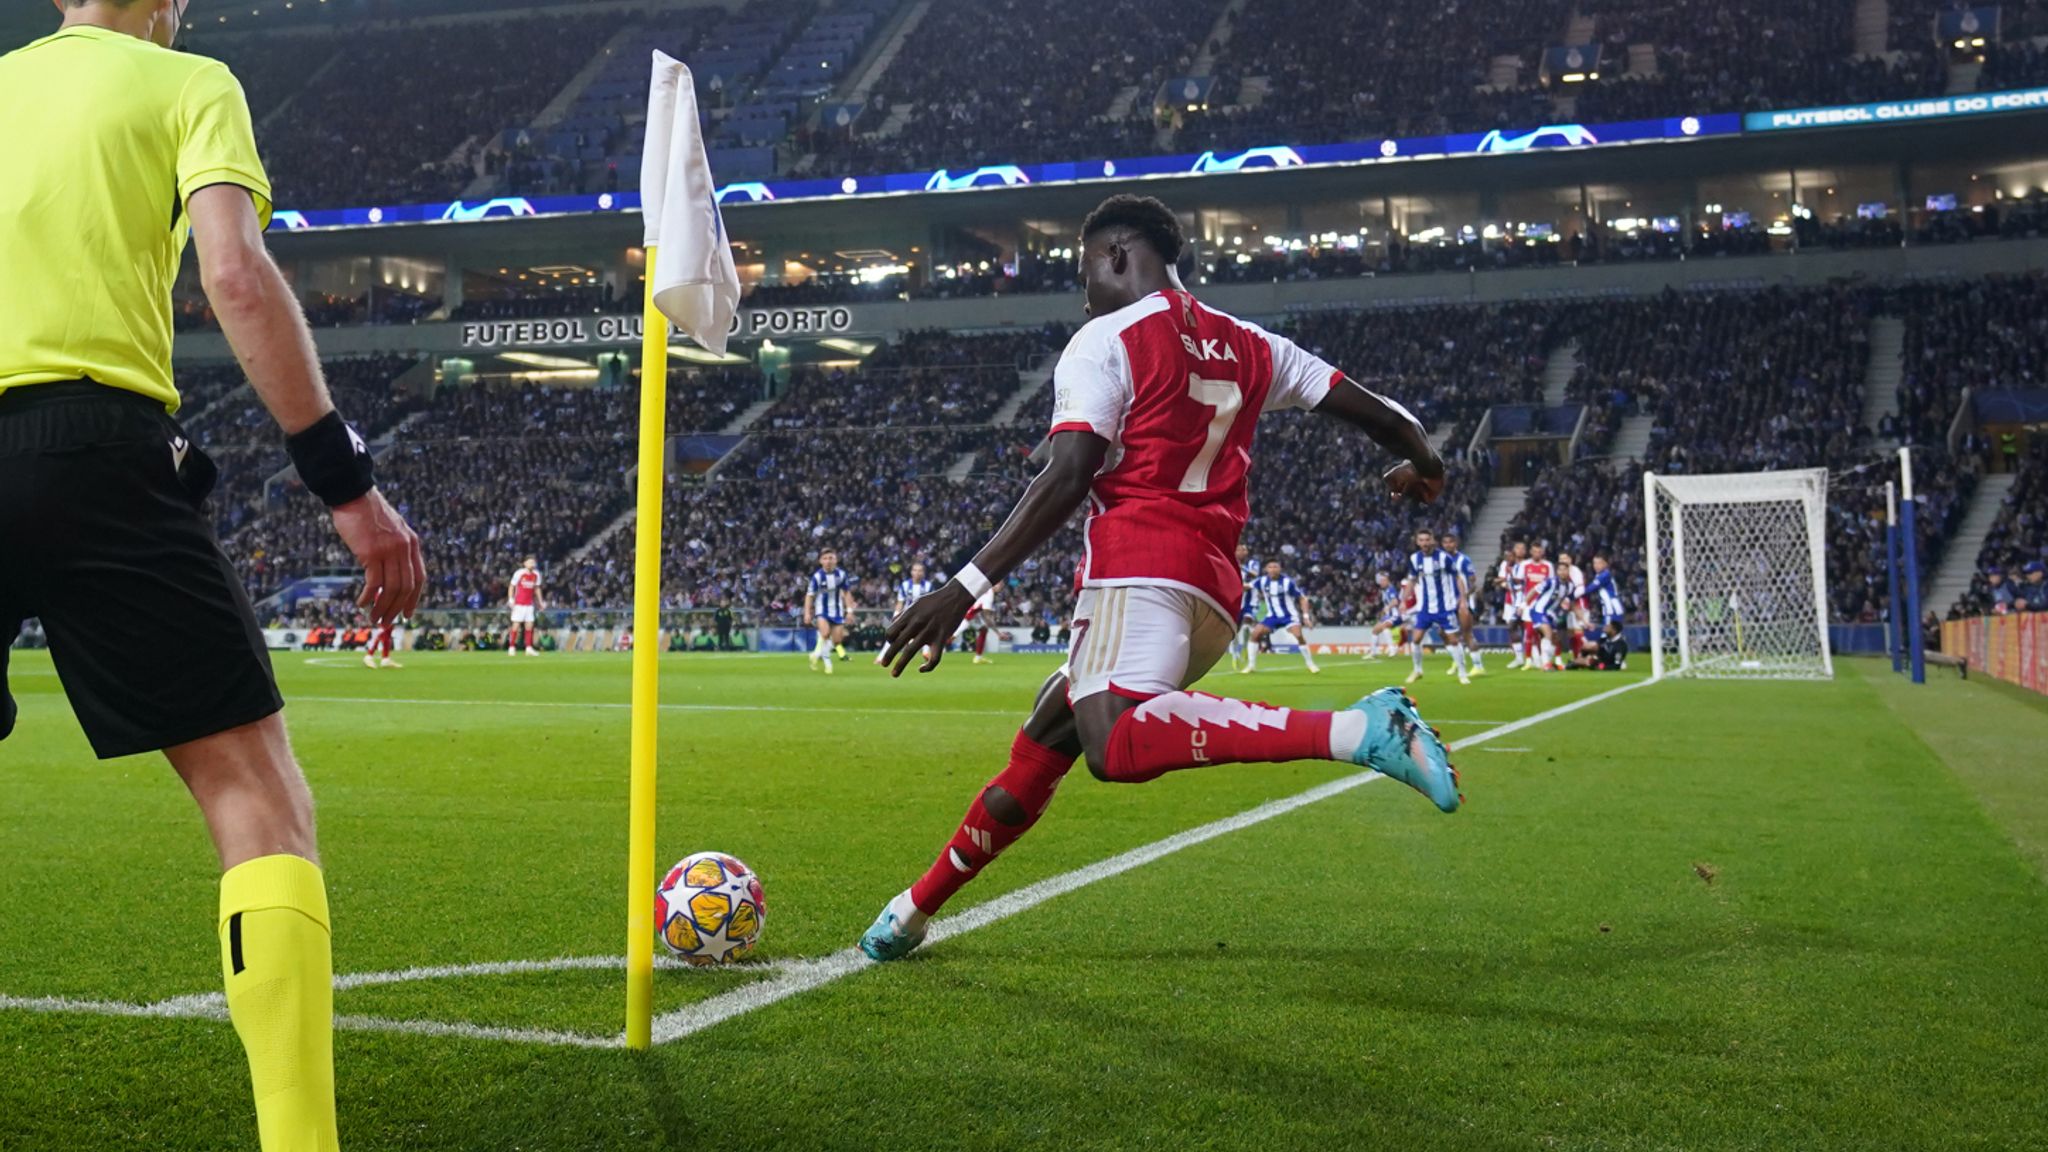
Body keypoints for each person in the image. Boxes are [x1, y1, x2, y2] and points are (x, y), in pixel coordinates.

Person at [0, 5, 426, 1150]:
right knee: (258, 802)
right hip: (89, 444)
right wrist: (347, 487)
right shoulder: (187, 82)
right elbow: (234, 277)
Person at [858, 194, 1459, 962]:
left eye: (1084, 268)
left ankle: (1356, 729)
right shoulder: (1253, 344)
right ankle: (912, 910)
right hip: (1211, 594)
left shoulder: (1104, 337)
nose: (1082, 289)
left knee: (1112, 744)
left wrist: (964, 587)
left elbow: (1072, 471)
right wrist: (1427, 464)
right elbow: (1384, 416)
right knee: (1049, 736)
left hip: (1137, 569)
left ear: (1114, 253)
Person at [1406, 529, 1471, 686]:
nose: (1424, 543)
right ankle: (1417, 670)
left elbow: (1458, 578)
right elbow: (1412, 579)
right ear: (1417, 542)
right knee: (1415, 639)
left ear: (1433, 540)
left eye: (1427, 540)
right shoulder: (1415, 559)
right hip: (1425, 608)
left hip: (1445, 608)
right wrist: (1404, 599)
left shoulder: (1444, 558)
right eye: (1421, 540)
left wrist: (1462, 599)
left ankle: (1462, 672)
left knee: (1454, 641)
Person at [1243, 559, 1321, 674]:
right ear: (1266, 569)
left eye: (1276, 567)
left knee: (1298, 635)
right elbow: (1247, 586)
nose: (1273, 569)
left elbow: (1302, 598)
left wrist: (1305, 617)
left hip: (1289, 616)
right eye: (1270, 567)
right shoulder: (1262, 581)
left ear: (1280, 569)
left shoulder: (1287, 582)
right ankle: (1251, 666)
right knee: (1255, 634)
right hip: (1272, 616)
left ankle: (1310, 664)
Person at [803, 548, 856, 673]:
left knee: (837, 640)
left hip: (837, 611)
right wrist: (807, 612)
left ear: (836, 560)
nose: (828, 561)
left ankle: (815, 655)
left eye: (831, 558)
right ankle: (827, 663)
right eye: (825, 559)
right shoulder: (817, 577)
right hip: (822, 610)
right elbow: (809, 595)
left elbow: (847, 593)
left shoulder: (841, 575)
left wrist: (849, 611)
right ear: (821, 561)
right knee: (825, 634)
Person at [877, 561, 939, 666]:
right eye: (915, 570)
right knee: (894, 635)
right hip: (907, 616)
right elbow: (900, 602)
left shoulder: (928, 586)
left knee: (928, 632)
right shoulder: (905, 585)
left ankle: (926, 652)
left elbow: (932, 602)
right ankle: (881, 656)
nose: (917, 573)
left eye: (920, 570)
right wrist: (895, 617)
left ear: (923, 572)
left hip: (923, 616)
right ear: (911, 572)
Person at [1442, 530, 1484, 676]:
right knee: (1443, 633)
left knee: (1467, 633)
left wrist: (1464, 597)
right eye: (1445, 542)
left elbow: (1473, 583)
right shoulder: (1440, 560)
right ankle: (1457, 660)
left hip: (1463, 601)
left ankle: (1478, 666)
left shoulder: (1464, 560)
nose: (1448, 545)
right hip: (1447, 602)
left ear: (1456, 543)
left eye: (1451, 542)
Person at [1498, 539, 1528, 667]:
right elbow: (1502, 579)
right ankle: (1518, 656)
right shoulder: (1506, 564)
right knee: (1512, 627)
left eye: (1522, 548)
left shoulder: (1528, 564)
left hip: (1526, 600)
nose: (1520, 551)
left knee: (1527, 628)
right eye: (1518, 548)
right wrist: (1505, 584)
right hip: (1511, 600)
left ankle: (1532, 655)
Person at [505, 556, 542, 656]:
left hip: (529, 604)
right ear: (525, 563)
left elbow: (537, 588)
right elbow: (511, 586)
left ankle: (529, 647)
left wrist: (540, 602)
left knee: (529, 626)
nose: (532, 564)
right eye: (530, 562)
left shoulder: (536, 574)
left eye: (533, 562)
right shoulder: (519, 573)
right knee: (515, 625)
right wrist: (511, 599)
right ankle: (512, 647)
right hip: (519, 604)